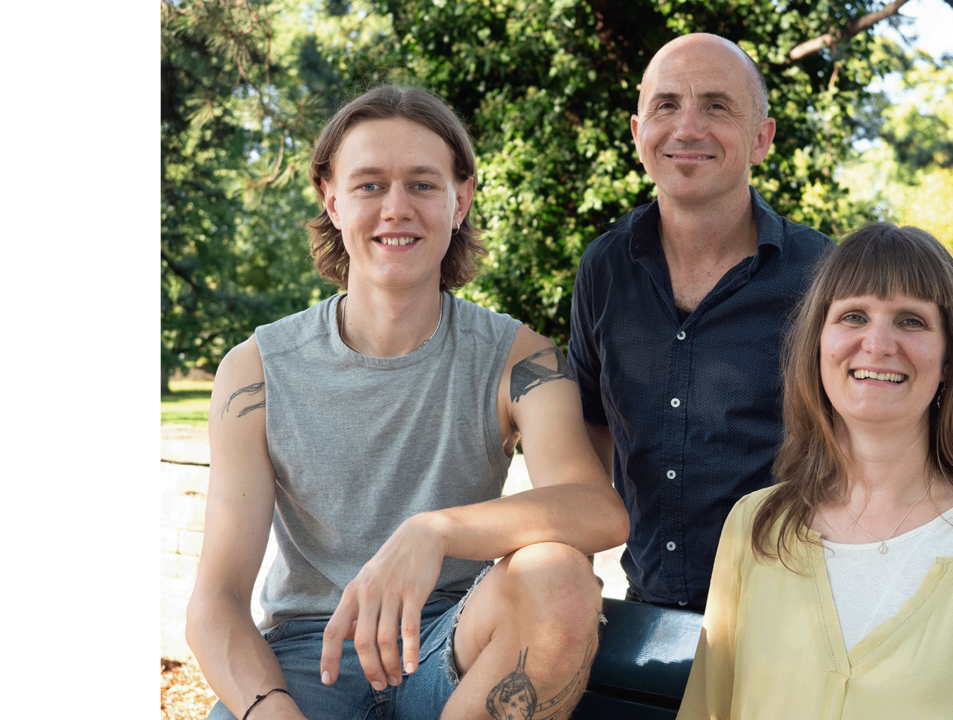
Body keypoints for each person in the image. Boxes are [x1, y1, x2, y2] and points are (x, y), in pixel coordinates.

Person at [186, 85, 630, 720]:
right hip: (308, 661)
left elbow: (599, 511)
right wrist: (271, 712)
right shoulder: (256, 372)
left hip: (456, 647)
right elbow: (216, 600)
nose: (397, 208)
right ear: (331, 199)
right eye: (369, 185)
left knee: (559, 574)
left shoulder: (518, 359)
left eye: (423, 184)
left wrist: (435, 530)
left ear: (460, 200)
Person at [677, 223, 953, 719]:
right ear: (818, 345)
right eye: (854, 316)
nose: (878, 344)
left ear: (949, 358)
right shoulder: (755, 529)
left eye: (911, 321)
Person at [568, 33, 832, 610]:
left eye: (716, 106)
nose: (687, 128)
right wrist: (571, 572)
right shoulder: (603, 269)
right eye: (666, 105)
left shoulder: (823, 275)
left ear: (761, 140)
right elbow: (588, 431)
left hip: (794, 617)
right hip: (647, 610)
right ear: (639, 134)